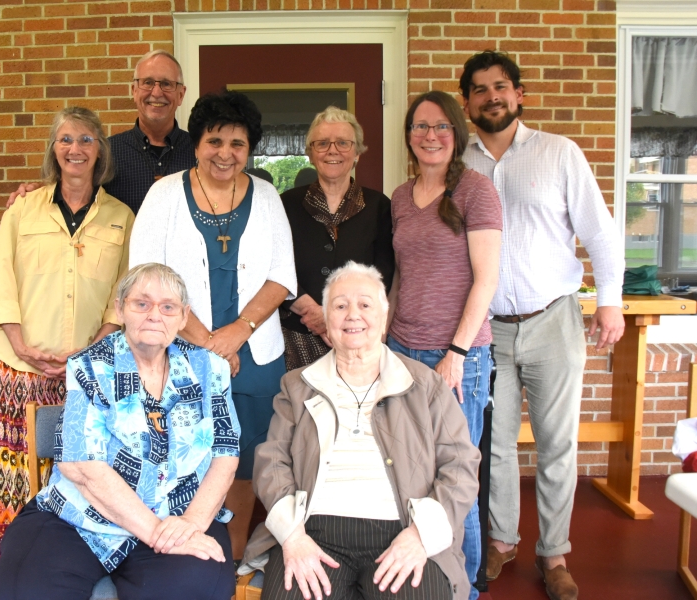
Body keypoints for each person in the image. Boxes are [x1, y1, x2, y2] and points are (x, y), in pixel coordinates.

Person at [459, 50, 625, 600]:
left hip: (554, 320)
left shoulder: (559, 153)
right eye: (479, 90)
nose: (491, 97)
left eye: (500, 86)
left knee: (557, 444)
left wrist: (611, 301)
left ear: (519, 94)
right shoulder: (460, 163)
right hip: (489, 330)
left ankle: (554, 551)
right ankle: (503, 541)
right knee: (496, 445)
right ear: (466, 104)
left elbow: (600, 234)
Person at [0, 263, 240, 600]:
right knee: (27, 590)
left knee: (194, 589)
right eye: (142, 303)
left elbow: (225, 454)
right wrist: (156, 533)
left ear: (184, 317)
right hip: (79, 519)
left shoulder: (210, 368)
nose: (155, 315)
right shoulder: (90, 365)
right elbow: (81, 466)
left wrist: (190, 525)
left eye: (167, 307)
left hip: (179, 517)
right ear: (121, 309)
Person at [239, 262, 480, 600]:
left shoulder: (426, 386)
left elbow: (461, 466)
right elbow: (272, 463)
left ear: (383, 317)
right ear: (328, 319)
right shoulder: (297, 386)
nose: (353, 315)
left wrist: (420, 536)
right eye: (340, 306)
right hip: (314, 532)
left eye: (365, 305)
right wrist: (293, 536)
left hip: (402, 531)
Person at [128, 90, 297, 560]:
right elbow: (144, 275)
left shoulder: (265, 195)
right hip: (179, 351)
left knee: (245, 457)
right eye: (214, 140)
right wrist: (207, 342)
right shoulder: (163, 195)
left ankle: (234, 553)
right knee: (184, 452)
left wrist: (237, 332)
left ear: (251, 148)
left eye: (238, 144)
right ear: (197, 143)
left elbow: (282, 275)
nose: (225, 153)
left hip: (257, 355)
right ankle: (183, 548)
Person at [0, 106, 133, 562]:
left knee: (82, 469)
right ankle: (12, 558)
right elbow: (0, 276)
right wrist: (22, 343)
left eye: (86, 140)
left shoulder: (121, 216)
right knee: (16, 468)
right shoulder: (23, 209)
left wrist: (94, 347)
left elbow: (122, 292)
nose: (76, 149)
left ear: (100, 151)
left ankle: (70, 561)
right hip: (19, 364)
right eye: (66, 139)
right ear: (54, 148)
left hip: (88, 370)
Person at [386, 90, 502, 599]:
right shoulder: (400, 196)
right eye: (419, 126)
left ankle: (463, 588)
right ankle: (421, 577)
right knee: (408, 471)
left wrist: (456, 353)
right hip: (402, 352)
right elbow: (400, 278)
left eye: (440, 127)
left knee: (455, 480)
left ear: (456, 134)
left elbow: (486, 279)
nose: (429, 136)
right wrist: (383, 342)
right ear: (409, 135)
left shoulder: (476, 190)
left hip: (458, 358)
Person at [8, 50, 194, 214]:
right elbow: (71, 188)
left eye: (167, 84)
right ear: (134, 90)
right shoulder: (105, 151)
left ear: (181, 94)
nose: (156, 92)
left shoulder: (198, 153)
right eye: (147, 82)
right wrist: (38, 190)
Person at [279, 106, 394, 371]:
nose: (333, 150)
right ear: (310, 153)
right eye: (322, 143)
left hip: (358, 337)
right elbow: (274, 268)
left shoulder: (379, 206)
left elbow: (384, 273)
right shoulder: (286, 204)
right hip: (297, 339)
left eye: (343, 143)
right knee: (301, 409)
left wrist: (338, 317)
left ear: (357, 153)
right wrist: (312, 312)